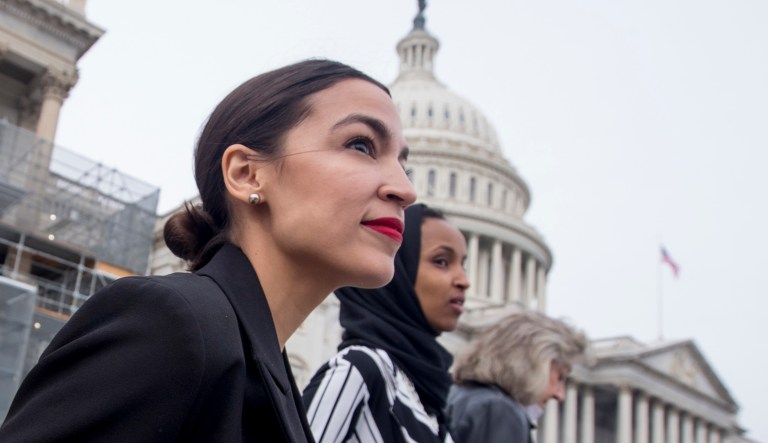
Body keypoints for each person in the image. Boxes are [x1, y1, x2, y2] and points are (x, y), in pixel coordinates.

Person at [0, 59, 416, 442]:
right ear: (247, 174)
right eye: (361, 145)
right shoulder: (170, 322)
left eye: (403, 163)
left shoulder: (262, 366)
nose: (405, 190)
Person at [303, 203, 469, 443]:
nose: (464, 281)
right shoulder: (358, 370)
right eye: (441, 261)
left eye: (463, 264)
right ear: (399, 271)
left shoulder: (429, 403)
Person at [445, 311, 589, 443]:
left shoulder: (459, 396)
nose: (560, 394)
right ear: (534, 363)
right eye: (560, 377)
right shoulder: (499, 412)